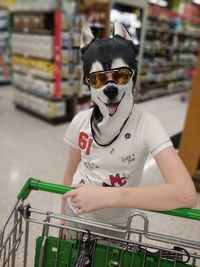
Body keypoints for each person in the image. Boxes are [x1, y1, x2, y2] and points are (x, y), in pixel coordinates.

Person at [60, 22, 197, 233]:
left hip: (116, 224)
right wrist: (62, 215)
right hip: (75, 211)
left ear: (133, 75)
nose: (109, 87)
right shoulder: (80, 121)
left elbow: (186, 194)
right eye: (97, 79)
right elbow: (70, 171)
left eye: (121, 75)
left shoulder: (146, 125)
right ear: (88, 83)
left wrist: (104, 196)